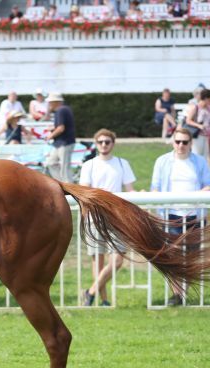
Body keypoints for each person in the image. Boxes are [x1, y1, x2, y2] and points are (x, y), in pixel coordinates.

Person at [151, 128, 210, 305]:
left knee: (191, 256)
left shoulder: (200, 162)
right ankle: (177, 293)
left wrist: (196, 196)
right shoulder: (162, 161)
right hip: (171, 215)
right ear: (173, 142)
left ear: (191, 143)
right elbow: (155, 187)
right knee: (173, 256)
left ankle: (186, 292)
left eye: (185, 142)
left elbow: (208, 185)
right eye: (178, 142)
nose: (181, 145)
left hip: (194, 216)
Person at [79, 129, 136, 307]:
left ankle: (90, 291)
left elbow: (130, 190)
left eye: (107, 142)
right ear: (96, 144)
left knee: (118, 259)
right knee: (98, 258)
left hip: (118, 216)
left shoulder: (122, 163)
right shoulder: (89, 165)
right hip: (95, 216)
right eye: (101, 142)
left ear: (113, 143)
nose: (104, 145)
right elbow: (85, 191)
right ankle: (103, 300)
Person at [45, 93, 76, 183]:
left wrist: (50, 136)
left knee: (64, 168)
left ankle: (70, 189)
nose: (49, 104)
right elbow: (62, 126)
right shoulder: (64, 109)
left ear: (56, 102)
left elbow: (61, 128)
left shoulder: (60, 111)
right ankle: (61, 184)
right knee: (51, 163)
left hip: (65, 143)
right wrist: (53, 128)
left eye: (50, 102)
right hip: (60, 143)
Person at [184, 89, 209, 161]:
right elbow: (188, 120)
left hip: (206, 135)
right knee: (197, 155)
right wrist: (199, 125)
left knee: (204, 157)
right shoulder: (196, 107)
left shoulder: (208, 108)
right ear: (206, 98)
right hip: (197, 135)